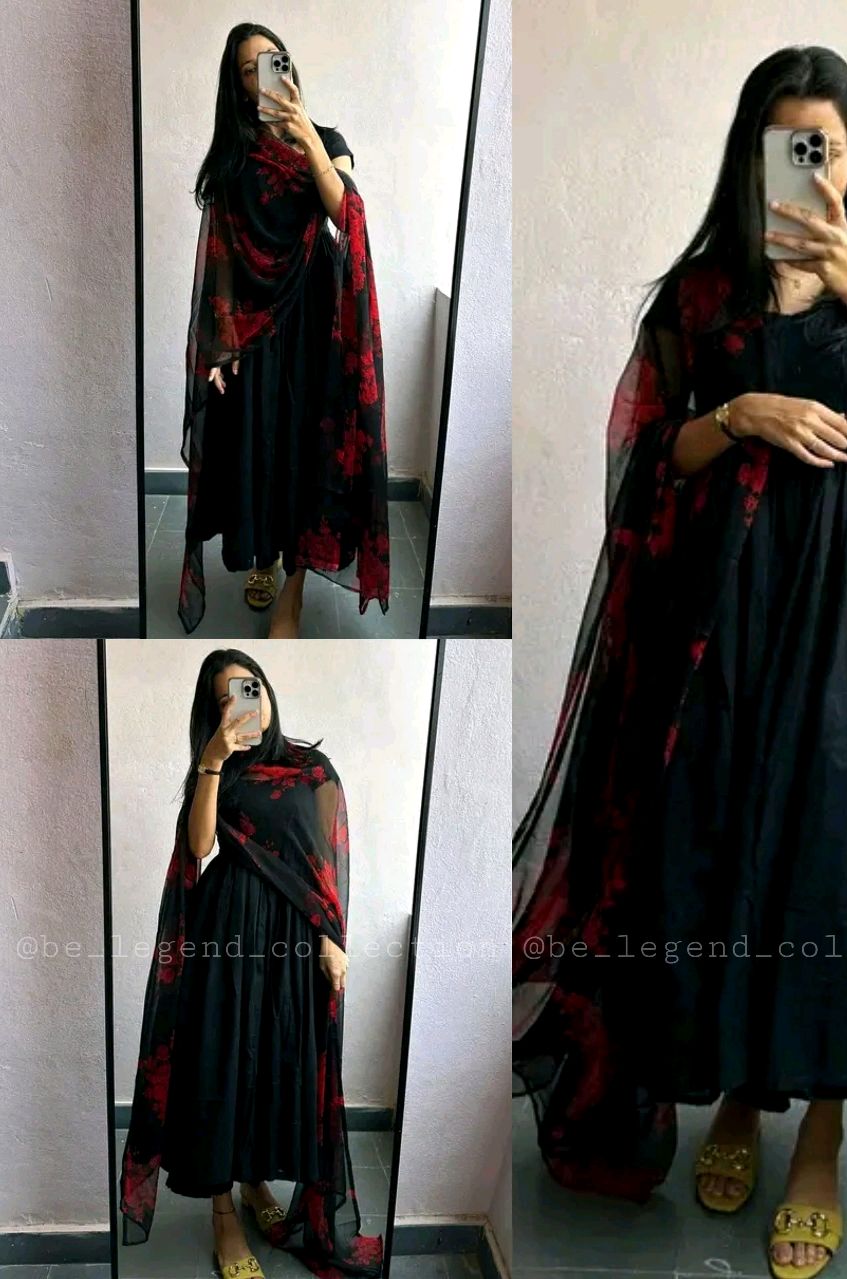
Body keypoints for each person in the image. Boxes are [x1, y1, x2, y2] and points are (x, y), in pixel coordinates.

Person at [512, 45, 847, 1279]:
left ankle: (818, 1133)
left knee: (834, 864)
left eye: (828, 146)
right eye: (789, 144)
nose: (810, 166)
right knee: (725, 852)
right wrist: (738, 417)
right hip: (722, 611)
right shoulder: (699, 296)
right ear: (752, 152)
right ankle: (738, 1089)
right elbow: (650, 457)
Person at [119, 649, 383, 1279]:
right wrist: (211, 760)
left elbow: (328, 863)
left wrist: (333, 937)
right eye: (226, 699)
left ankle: (255, 1182)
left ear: (267, 691)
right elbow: (200, 845)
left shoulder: (313, 769)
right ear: (214, 714)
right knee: (222, 1063)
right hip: (227, 932)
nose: (244, 704)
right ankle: (223, 1214)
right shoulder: (221, 769)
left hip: (293, 940)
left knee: (274, 1060)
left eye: (251, 688)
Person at [177, 23, 389, 637]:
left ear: (289, 67)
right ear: (240, 86)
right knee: (261, 447)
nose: (265, 73)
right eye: (250, 68)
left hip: (317, 321)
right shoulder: (233, 155)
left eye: (273, 60)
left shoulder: (327, 139)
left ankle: (290, 596)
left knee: (304, 451)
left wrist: (305, 136)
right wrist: (221, 342)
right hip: (255, 327)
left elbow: (344, 211)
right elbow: (221, 251)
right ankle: (265, 557)